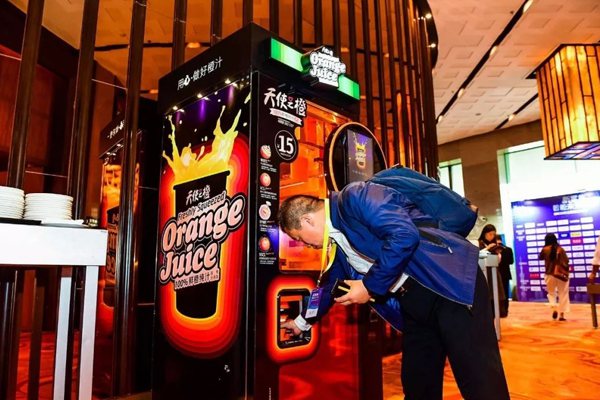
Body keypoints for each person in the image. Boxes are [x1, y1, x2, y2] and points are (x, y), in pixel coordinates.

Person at [278, 181, 509, 400]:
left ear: (307, 220)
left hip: (448, 283)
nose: (306, 245)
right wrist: (301, 322)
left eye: (300, 238)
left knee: (478, 379)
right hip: (414, 301)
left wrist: (368, 287)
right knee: (418, 384)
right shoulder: (337, 240)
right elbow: (330, 286)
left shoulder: (355, 196)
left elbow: (404, 235)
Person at [477, 224, 508, 317]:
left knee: (495, 297)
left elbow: (498, 261)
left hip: (494, 272)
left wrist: (498, 252)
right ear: (484, 233)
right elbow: (477, 255)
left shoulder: (495, 244)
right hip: (484, 273)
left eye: (494, 234)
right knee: (485, 297)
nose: (492, 236)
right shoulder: (479, 243)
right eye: (490, 234)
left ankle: (497, 315)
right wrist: (487, 248)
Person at [539, 233, 570, 321]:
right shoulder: (561, 249)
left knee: (551, 293)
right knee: (563, 294)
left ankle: (554, 308)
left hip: (549, 274)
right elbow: (567, 261)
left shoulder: (545, 249)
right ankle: (562, 315)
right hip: (560, 274)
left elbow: (540, 257)